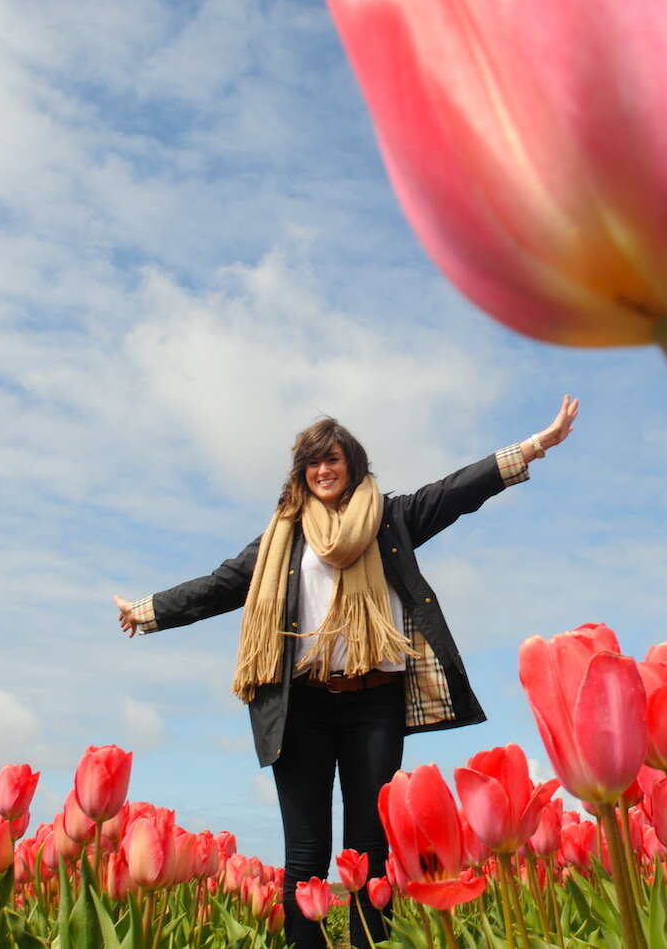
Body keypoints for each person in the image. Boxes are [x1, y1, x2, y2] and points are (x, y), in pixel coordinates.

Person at [112, 396, 578, 949]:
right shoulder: (282, 538)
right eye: (313, 462)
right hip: (302, 706)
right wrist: (149, 610)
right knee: (306, 857)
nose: (324, 470)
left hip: (374, 704)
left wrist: (535, 446)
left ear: (353, 466)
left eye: (334, 460)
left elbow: (456, 492)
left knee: (369, 849)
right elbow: (222, 584)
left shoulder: (390, 519)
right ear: (301, 473)